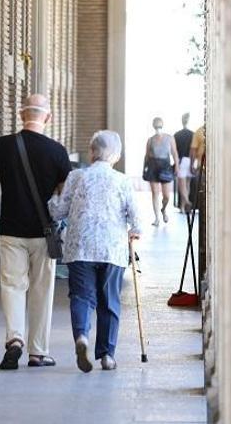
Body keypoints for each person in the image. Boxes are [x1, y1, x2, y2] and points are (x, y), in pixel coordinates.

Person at [0, 94, 72, 370]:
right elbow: (64, 199)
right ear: (47, 118)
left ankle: (14, 340)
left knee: (12, 287)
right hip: (44, 233)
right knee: (42, 290)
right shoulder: (58, 152)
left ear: (20, 115)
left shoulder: (3, 146)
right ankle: (38, 352)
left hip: (10, 231)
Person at [48, 131, 141, 373]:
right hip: (112, 249)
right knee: (110, 301)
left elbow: (57, 212)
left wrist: (53, 197)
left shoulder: (77, 176)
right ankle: (108, 356)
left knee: (81, 296)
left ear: (91, 153)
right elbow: (136, 217)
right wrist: (135, 231)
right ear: (116, 156)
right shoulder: (122, 181)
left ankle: (82, 337)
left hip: (80, 247)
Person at [143, 117, 180, 226]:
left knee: (166, 196)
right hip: (153, 166)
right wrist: (145, 168)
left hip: (165, 167)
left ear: (162, 125)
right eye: (156, 126)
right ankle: (156, 218)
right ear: (153, 126)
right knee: (155, 193)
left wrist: (177, 165)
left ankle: (163, 209)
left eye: (159, 125)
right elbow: (147, 155)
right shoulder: (150, 140)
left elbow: (174, 153)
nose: (158, 128)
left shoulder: (169, 138)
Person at [173, 114, 194, 212]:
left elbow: (174, 150)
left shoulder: (177, 135)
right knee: (187, 184)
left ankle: (186, 202)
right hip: (190, 160)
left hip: (181, 160)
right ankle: (183, 206)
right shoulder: (193, 134)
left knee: (181, 185)